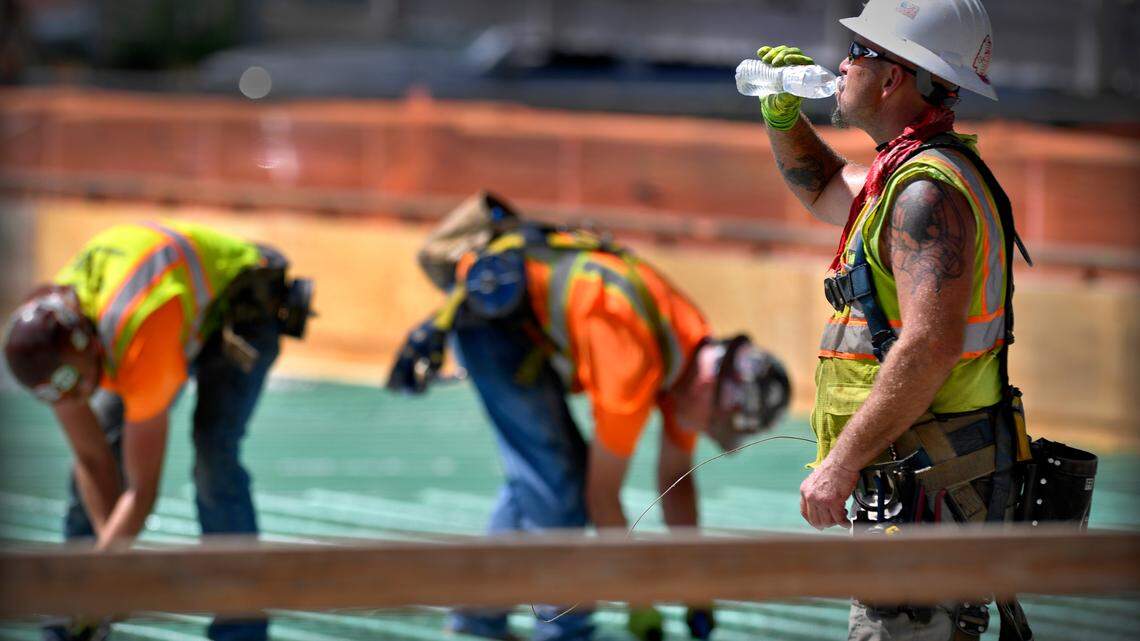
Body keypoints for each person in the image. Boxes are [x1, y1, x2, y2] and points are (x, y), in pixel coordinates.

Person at [752, 1, 1037, 639]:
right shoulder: (911, 176)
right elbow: (824, 185)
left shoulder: (923, 193)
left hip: (930, 478)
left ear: (892, 79)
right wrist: (782, 119)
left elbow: (931, 346)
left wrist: (841, 461)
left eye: (860, 52)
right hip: (936, 471)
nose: (843, 64)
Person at [389, 192, 791, 641]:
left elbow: (676, 483)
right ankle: (564, 632)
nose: (703, 431)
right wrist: (641, 601)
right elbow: (602, 497)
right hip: (494, 325)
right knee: (558, 481)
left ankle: (477, 622)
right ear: (708, 391)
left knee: (538, 476)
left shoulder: (692, 351)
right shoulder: (634, 364)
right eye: (714, 423)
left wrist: (698, 591)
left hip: (521, 318)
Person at [2, 221, 313, 641]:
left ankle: (241, 627)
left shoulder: (137, 336)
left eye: (75, 385)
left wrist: (107, 572)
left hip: (241, 311)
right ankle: (71, 616)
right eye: (60, 393)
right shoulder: (56, 349)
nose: (71, 397)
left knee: (213, 455)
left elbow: (141, 491)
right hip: (173, 311)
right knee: (101, 452)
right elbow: (91, 458)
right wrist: (107, 565)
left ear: (90, 346)